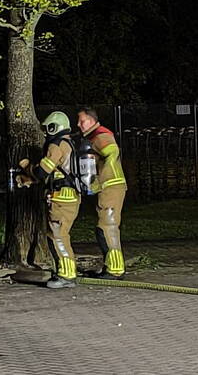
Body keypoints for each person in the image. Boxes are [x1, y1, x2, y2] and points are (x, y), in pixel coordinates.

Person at [15, 111, 80, 289]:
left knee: (58, 236)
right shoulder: (69, 144)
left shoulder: (56, 146)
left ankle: (66, 275)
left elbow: (42, 171)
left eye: (48, 128)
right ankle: (67, 272)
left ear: (55, 127)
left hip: (62, 199)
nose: (45, 133)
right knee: (60, 235)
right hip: (68, 197)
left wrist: (27, 167)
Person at [76, 107, 127, 279]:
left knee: (107, 227)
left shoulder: (100, 135)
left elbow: (111, 150)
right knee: (104, 227)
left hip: (111, 186)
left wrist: (104, 164)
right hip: (108, 187)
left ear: (91, 120)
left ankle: (115, 269)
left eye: (82, 121)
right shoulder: (92, 137)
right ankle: (111, 266)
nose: (78, 125)